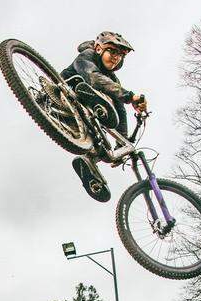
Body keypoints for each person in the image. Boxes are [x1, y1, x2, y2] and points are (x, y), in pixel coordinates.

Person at [60, 31, 148, 202]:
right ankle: (96, 102)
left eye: (120, 55)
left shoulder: (112, 77)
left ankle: (90, 162)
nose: (116, 58)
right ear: (100, 49)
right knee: (98, 86)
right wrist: (130, 96)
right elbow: (93, 77)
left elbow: (121, 110)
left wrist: (122, 144)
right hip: (66, 92)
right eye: (113, 52)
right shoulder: (87, 56)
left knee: (100, 140)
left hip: (76, 117)